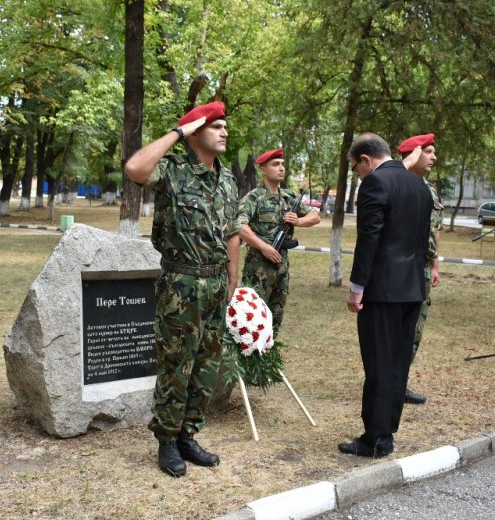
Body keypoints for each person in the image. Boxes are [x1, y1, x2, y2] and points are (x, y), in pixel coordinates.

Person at [125, 102, 240, 477]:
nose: (224, 131)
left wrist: (233, 281)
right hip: (181, 283)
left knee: (206, 365)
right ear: (196, 133)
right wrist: (178, 131)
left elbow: (232, 234)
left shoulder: (227, 179)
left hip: (217, 283)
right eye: (215, 126)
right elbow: (134, 169)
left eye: (225, 126)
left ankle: (189, 434)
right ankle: (167, 441)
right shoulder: (173, 170)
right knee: (176, 365)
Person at [340, 133, 432, 458]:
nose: (358, 175)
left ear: (365, 159)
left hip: (382, 291)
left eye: (356, 169)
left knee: (378, 365)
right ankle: (387, 431)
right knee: (396, 366)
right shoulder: (418, 185)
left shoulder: (375, 183)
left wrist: (356, 288)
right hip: (411, 289)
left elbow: (369, 238)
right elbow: (422, 242)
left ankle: (375, 439)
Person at [237, 148, 320, 338]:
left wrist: (298, 221)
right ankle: (251, 364)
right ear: (263, 170)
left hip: (282, 266)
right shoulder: (254, 198)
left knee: (275, 319)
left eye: (282, 164)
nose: (281, 168)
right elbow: (239, 225)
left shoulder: (289, 197)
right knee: (252, 319)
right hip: (258, 268)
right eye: (275, 164)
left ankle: (269, 361)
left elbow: (315, 216)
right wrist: (263, 246)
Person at [398, 133, 443, 405]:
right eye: (428, 151)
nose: (434, 157)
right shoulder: (398, 186)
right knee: (397, 326)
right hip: (403, 269)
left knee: (416, 328)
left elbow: (435, 230)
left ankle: (400, 383)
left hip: (424, 269)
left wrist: (436, 265)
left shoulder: (430, 190)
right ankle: (388, 382)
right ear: (413, 154)